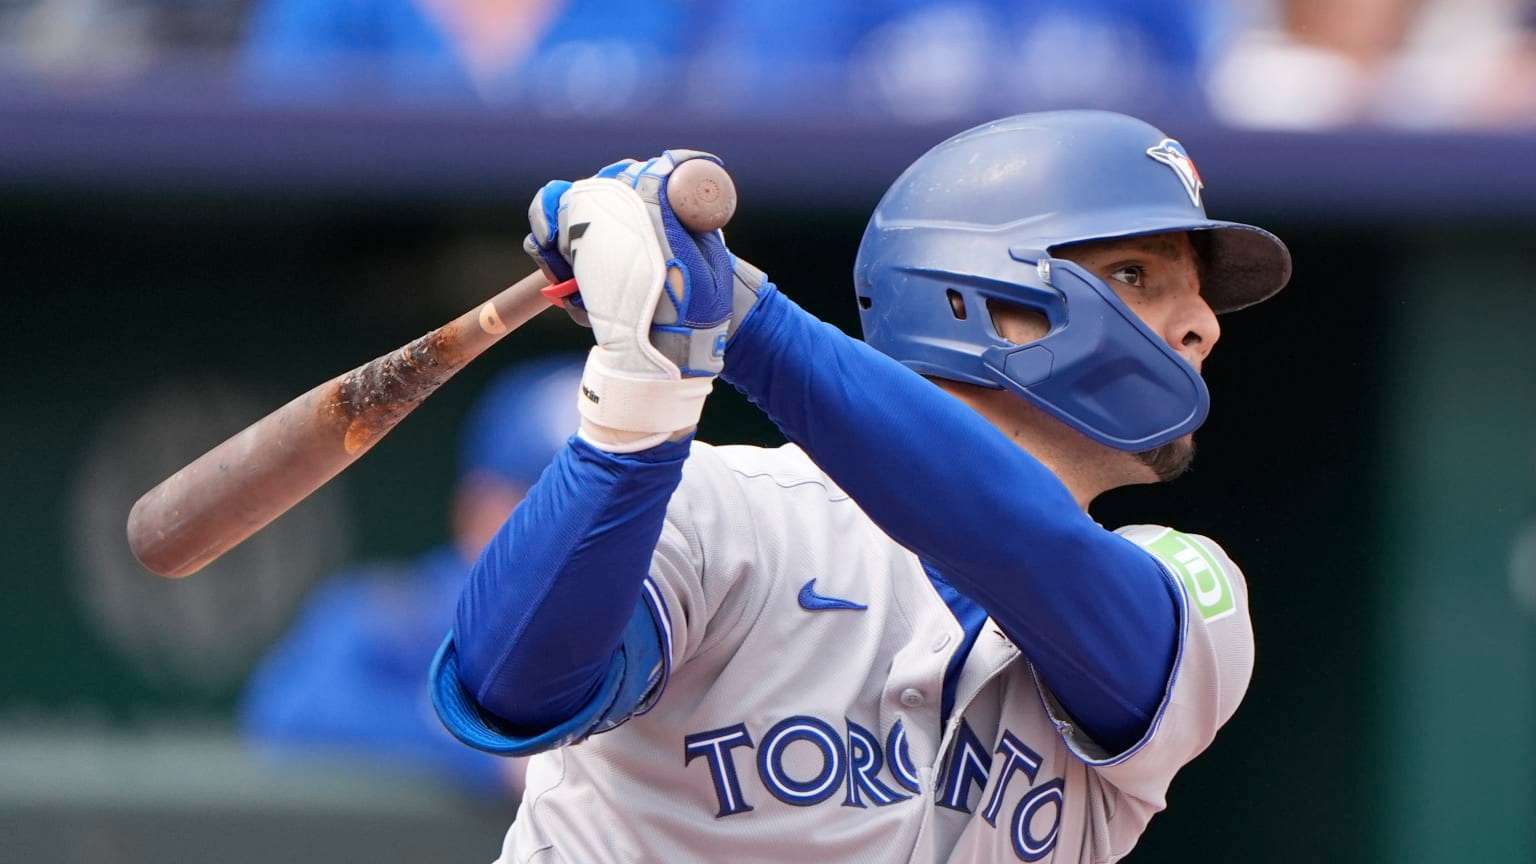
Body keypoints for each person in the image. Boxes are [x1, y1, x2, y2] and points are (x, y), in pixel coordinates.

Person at [430, 111, 1292, 861]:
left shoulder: (1190, 592)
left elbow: (1028, 548)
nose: (1204, 325)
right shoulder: (725, 507)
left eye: (1200, 295)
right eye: (1136, 275)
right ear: (979, 298)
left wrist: (742, 319)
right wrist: (635, 403)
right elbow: (514, 684)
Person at [241, 357, 582, 796]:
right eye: (547, 502)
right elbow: (290, 708)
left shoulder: (652, 629)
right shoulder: (403, 610)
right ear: (478, 506)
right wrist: (486, 753)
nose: (577, 530)